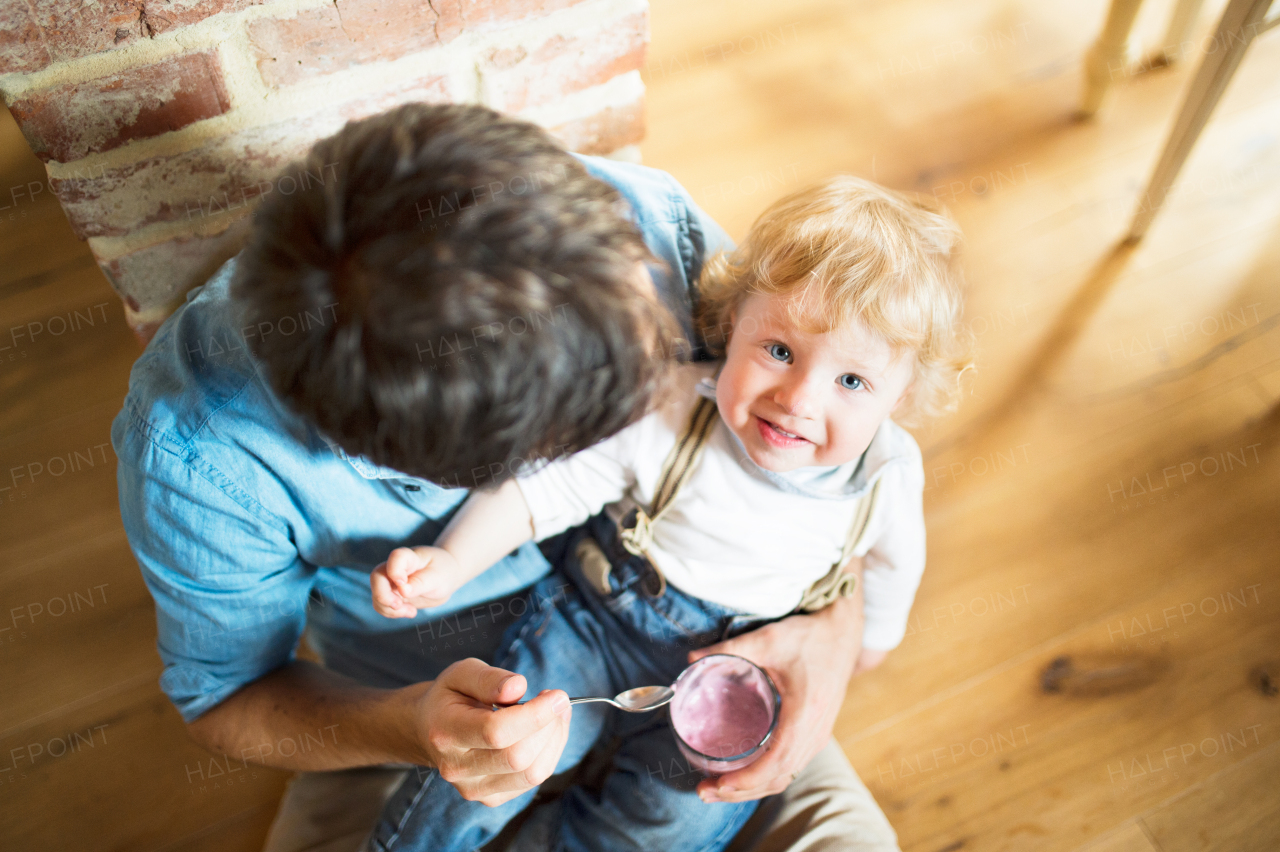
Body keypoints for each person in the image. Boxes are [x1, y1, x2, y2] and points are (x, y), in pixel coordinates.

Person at [112, 102, 905, 852]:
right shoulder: (196, 455)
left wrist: (832, 640)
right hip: (420, 705)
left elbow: (825, 454)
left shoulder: (648, 223)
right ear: (422, 467)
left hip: (708, 650)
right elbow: (226, 700)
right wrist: (415, 728)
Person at [367, 176, 973, 851]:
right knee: (503, 749)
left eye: (851, 381)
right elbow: (548, 486)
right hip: (597, 624)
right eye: (779, 350)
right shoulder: (677, 407)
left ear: (902, 395)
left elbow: (894, 564)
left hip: (734, 676)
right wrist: (451, 560)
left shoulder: (889, 474)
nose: (800, 397)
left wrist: (871, 642)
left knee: (670, 824)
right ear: (733, 320)